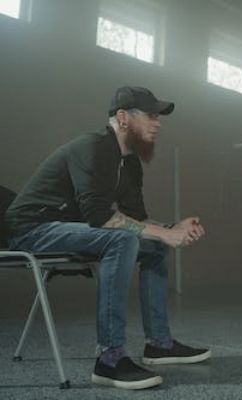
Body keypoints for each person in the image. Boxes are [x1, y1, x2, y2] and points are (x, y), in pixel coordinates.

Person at [5, 86, 209, 390]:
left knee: (153, 247)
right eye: (151, 115)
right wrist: (167, 234)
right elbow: (100, 217)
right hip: (32, 229)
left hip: (69, 228)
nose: (158, 123)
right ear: (123, 117)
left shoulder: (130, 163)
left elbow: (138, 220)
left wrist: (172, 227)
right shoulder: (93, 147)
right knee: (123, 240)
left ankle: (159, 344)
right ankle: (109, 359)